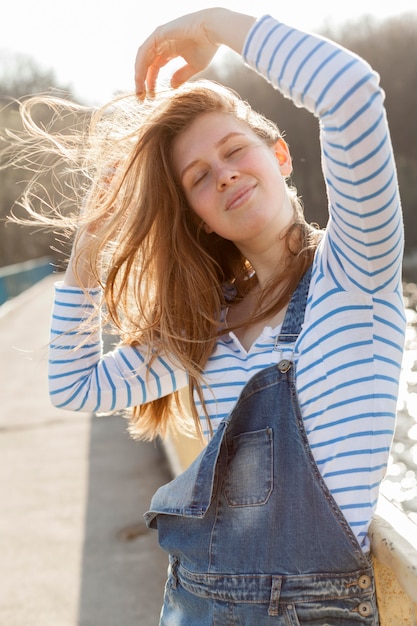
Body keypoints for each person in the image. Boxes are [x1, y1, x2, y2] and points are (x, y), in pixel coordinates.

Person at [11, 7, 406, 624]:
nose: (223, 175)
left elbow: (351, 92)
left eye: (234, 151)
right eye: (199, 177)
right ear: (198, 214)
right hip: (192, 602)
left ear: (279, 154)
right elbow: (74, 384)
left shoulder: (357, 266)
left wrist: (215, 24)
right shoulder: (205, 325)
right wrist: (91, 241)